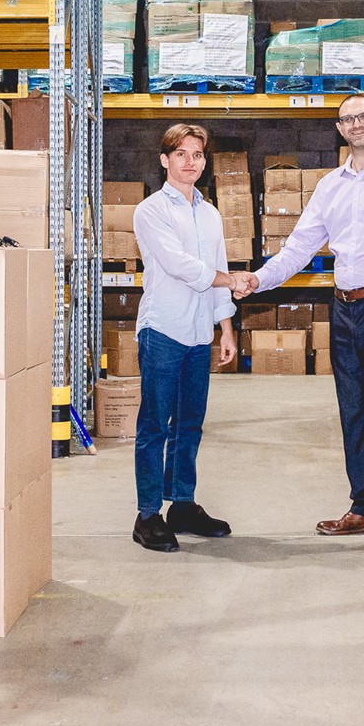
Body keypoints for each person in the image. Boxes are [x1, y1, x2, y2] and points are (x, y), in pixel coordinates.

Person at [232, 94, 364, 553]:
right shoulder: (329, 187)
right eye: (348, 119)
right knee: (355, 413)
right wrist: (258, 280)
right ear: (340, 129)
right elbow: (299, 247)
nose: (357, 124)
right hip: (344, 309)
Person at [129, 123, 240, 553]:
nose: (190, 162)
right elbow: (181, 266)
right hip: (163, 329)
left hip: (198, 333)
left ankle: (183, 505)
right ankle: (147, 515)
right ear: (164, 159)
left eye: (197, 155)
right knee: (155, 425)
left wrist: (225, 327)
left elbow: (217, 268)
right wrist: (231, 279)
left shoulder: (210, 214)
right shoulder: (151, 211)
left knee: (190, 423)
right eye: (181, 154)